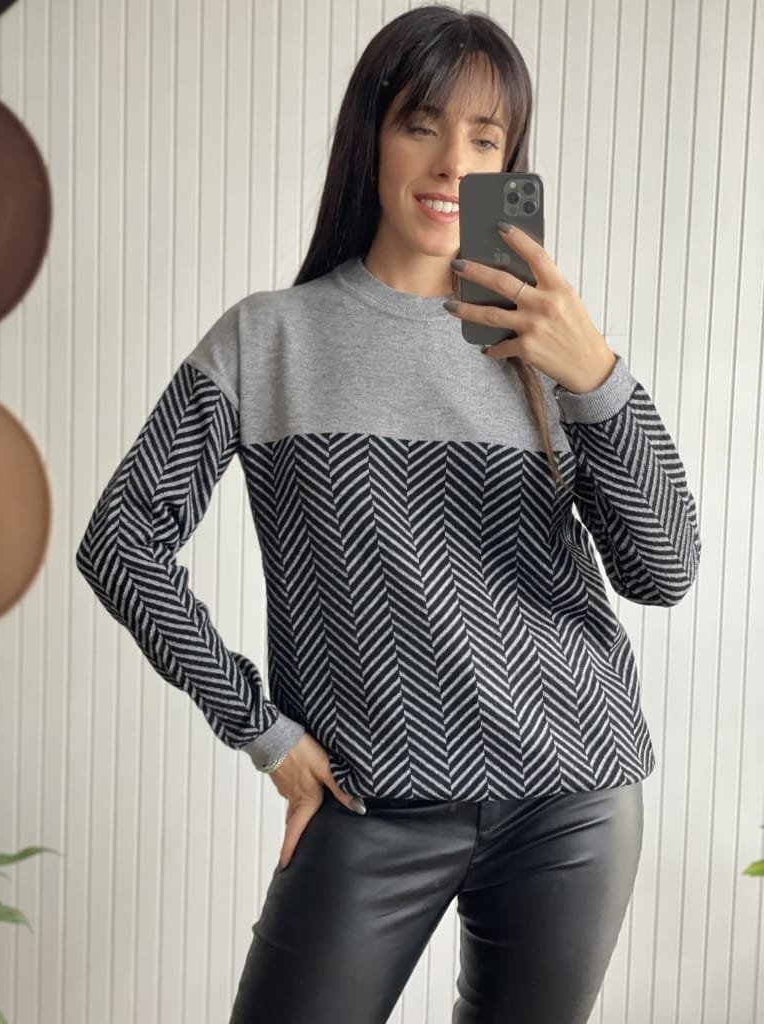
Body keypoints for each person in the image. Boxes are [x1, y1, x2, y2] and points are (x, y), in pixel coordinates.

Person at [75, 6, 701, 1022]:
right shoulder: (267, 339)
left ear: (509, 162)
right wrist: (263, 731)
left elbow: (663, 571)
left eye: (486, 139)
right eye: (422, 123)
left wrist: (597, 374)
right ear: (371, 137)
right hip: (367, 804)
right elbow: (121, 542)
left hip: (571, 796)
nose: (454, 161)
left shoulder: (547, 348)